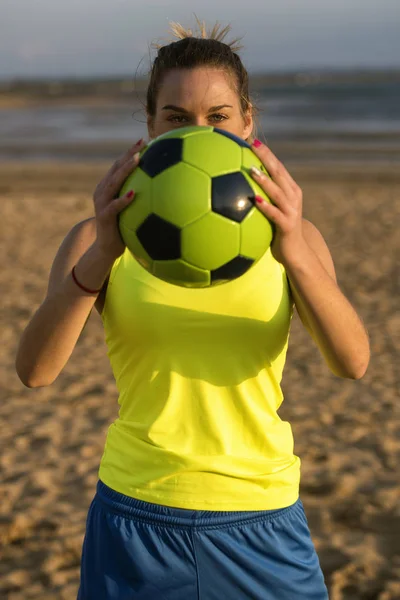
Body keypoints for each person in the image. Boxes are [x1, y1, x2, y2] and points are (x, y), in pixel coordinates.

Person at [16, 19, 370, 600]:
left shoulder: (298, 240)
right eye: (176, 118)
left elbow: (353, 362)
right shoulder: (96, 239)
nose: (197, 131)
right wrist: (105, 250)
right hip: (136, 514)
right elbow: (35, 372)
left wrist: (295, 254)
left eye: (219, 117)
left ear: (248, 123)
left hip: (260, 513)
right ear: (150, 126)